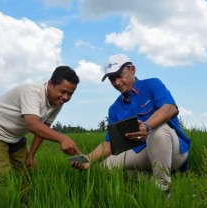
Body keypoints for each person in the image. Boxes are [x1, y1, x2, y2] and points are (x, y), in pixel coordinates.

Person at [72, 54, 191, 193]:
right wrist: (87, 159)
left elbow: (170, 108)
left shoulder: (152, 85)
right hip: (142, 152)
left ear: (132, 70)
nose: (117, 82)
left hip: (171, 152)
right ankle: (148, 182)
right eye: (112, 79)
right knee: (104, 168)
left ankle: (163, 189)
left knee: (158, 131)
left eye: (120, 75)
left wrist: (147, 126)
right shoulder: (115, 108)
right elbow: (110, 143)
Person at [0, 66, 82, 181]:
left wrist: (31, 155)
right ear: (51, 84)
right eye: (63, 92)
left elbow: (44, 126)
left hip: (15, 136)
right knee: (1, 177)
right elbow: (33, 125)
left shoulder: (56, 102)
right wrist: (62, 138)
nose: (66, 97)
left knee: (28, 168)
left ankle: (24, 199)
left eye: (70, 94)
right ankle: (6, 199)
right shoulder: (32, 92)